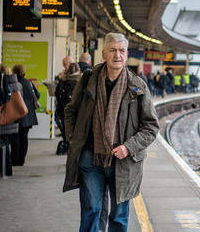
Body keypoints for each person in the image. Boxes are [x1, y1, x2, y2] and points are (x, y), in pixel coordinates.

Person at [63, 32, 160, 231]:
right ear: (104, 54)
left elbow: (151, 126)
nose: (118, 55)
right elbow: (70, 110)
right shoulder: (88, 80)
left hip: (123, 162)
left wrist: (129, 146)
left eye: (122, 50)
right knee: (91, 210)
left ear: (126, 54)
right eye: (113, 50)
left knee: (118, 215)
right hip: (91, 157)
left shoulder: (138, 86)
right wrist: (73, 138)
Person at [12, 64, 39, 166]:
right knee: (24, 137)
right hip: (27, 114)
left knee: (16, 138)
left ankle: (15, 159)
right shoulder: (29, 83)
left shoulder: (14, 83)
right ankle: (22, 159)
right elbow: (37, 96)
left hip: (16, 114)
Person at [0, 65, 23, 176]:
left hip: (3, 120)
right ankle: (8, 168)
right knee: (8, 144)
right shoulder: (18, 85)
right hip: (13, 119)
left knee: (3, 145)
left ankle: (6, 169)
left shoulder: (3, 85)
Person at [55, 63, 82, 155]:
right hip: (79, 112)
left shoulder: (63, 80)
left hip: (64, 110)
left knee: (66, 130)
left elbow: (57, 94)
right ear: (79, 70)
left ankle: (67, 146)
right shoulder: (82, 81)